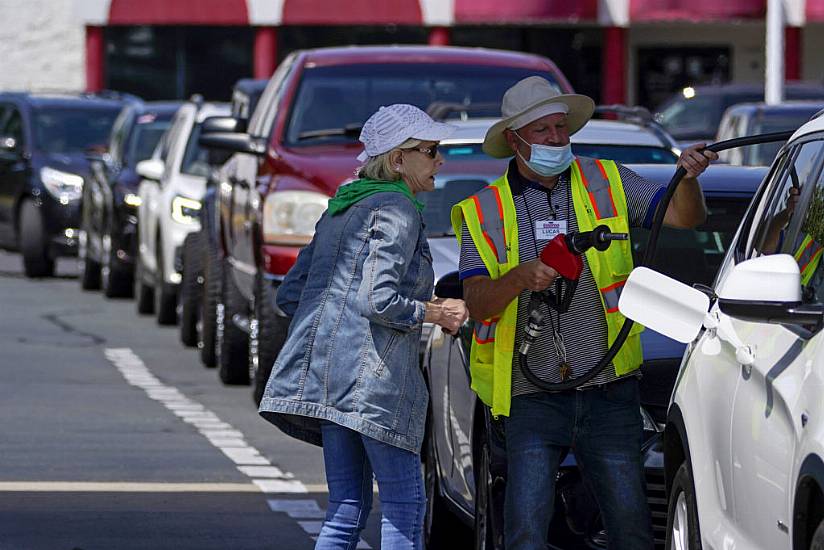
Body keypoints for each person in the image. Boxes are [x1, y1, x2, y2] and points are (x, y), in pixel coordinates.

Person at [450, 76, 715, 550]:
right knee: (525, 533)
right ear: (514, 140)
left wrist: (688, 179)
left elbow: (683, 218)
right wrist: (518, 279)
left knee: (631, 530)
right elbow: (477, 303)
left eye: (561, 128)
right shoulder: (483, 209)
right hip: (530, 396)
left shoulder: (606, 179)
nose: (557, 139)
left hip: (608, 390)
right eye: (543, 131)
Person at [258, 103, 469, 550]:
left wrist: (338, 327)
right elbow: (379, 299)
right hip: (377, 385)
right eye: (430, 151)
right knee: (405, 506)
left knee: (346, 509)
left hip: (330, 381)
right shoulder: (398, 209)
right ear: (398, 159)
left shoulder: (343, 206)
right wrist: (438, 311)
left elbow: (292, 293)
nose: (439, 161)